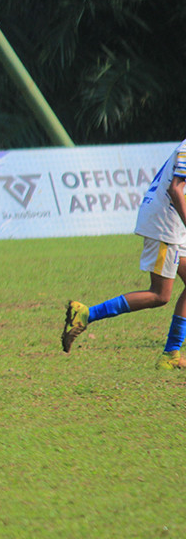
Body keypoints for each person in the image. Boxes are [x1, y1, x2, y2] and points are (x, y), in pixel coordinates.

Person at [63, 138, 186, 368]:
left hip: (174, 224)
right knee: (160, 295)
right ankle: (86, 314)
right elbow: (175, 189)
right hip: (164, 225)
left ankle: (171, 354)